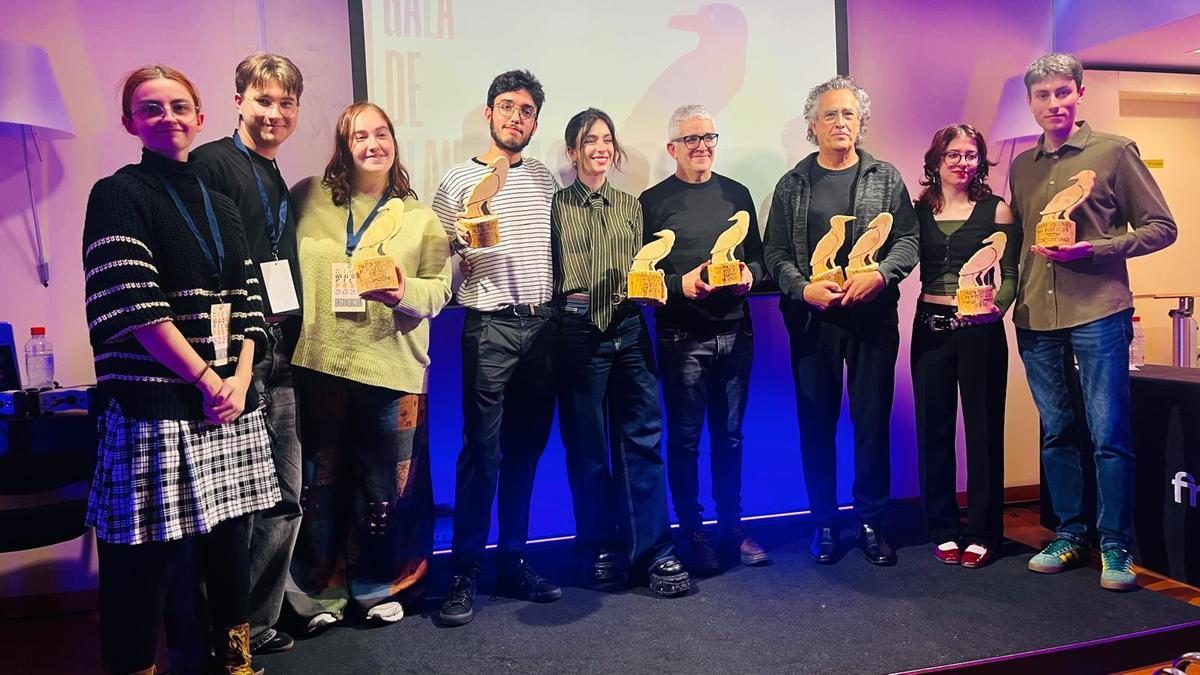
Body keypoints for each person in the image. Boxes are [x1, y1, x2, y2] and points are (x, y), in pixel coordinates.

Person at [82, 64, 279, 675]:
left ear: (199, 117)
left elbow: (250, 304)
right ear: (129, 123)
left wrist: (240, 380)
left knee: (231, 547)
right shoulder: (117, 194)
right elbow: (135, 305)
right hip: (156, 407)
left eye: (178, 106)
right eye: (150, 108)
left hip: (227, 403)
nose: (166, 116)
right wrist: (207, 379)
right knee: (143, 562)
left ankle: (235, 662)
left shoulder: (222, 205)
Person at [1009, 53, 1176, 591]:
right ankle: (1069, 534)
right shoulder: (1021, 165)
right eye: (1042, 95)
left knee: (1109, 434)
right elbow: (1020, 244)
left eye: (1062, 92)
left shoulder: (1115, 151)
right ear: (1030, 102)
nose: (1053, 103)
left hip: (1100, 310)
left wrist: (1096, 249)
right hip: (1036, 316)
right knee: (1057, 431)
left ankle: (1115, 546)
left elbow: (1161, 227)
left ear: (1079, 93)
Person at [286, 102, 452, 629]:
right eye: (360, 136)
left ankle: (381, 588)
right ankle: (321, 594)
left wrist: (403, 292)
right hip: (320, 364)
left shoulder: (421, 217)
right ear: (344, 145)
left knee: (388, 492)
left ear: (394, 143)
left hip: (393, 368)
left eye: (382, 134)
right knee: (320, 488)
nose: (373, 144)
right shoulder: (307, 197)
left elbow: (439, 292)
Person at [763, 76, 919, 567]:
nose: (840, 122)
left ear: (861, 122)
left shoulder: (885, 177)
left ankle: (871, 521)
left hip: (872, 318)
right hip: (813, 322)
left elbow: (908, 241)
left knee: (871, 422)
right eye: (829, 114)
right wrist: (801, 288)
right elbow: (774, 252)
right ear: (813, 126)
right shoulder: (791, 184)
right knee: (816, 423)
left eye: (848, 113)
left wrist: (882, 276)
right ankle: (825, 522)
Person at [431, 69, 560, 627]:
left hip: (544, 326)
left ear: (535, 122)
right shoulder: (458, 180)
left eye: (526, 110)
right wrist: (456, 240)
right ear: (489, 113)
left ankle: (513, 561)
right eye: (506, 106)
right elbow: (434, 255)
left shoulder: (546, 180)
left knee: (526, 452)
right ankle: (464, 572)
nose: (515, 117)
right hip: (489, 327)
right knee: (482, 454)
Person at [193, 51, 305, 656]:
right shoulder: (212, 164)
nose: (273, 113)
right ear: (239, 101)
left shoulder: (273, 172)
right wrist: (227, 356)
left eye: (286, 103)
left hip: (281, 347)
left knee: (285, 496)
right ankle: (221, 628)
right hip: (239, 352)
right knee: (234, 501)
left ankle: (255, 623)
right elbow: (207, 263)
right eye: (263, 100)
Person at [553, 108, 690, 596]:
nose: (600, 148)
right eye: (589, 140)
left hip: (629, 330)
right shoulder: (555, 207)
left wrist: (654, 290)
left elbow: (643, 271)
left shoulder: (632, 206)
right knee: (588, 447)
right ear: (573, 151)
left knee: (643, 441)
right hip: (576, 332)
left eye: (607, 140)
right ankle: (597, 547)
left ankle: (654, 552)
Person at [638, 104, 769, 573]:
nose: (701, 146)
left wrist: (751, 276)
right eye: (691, 139)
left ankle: (732, 527)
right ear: (672, 147)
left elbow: (760, 259)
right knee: (686, 440)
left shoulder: (738, 194)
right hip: (681, 337)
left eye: (708, 137)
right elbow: (641, 277)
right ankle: (692, 531)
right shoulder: (651, 201)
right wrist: (680, 285)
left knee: (730, 438)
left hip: (736, 332)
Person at [911, 124, 1018, 569]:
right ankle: (942, 528)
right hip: (930, 328)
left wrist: (997, 309)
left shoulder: (997, 210)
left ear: (980, 161)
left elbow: (1010, 274)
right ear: (936, 161)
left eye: (971, 155)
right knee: (933, 430)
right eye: (953, 154)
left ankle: (983, 532)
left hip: (981, 330)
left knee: (984, 430)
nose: (962, 162)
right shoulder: (917, 212)